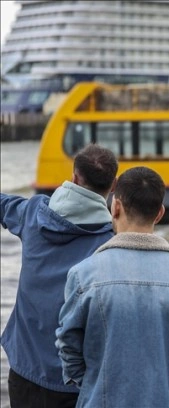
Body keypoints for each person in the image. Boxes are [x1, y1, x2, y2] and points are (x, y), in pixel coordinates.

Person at [55, 166, 169, 408]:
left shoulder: (84, 275)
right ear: (159, 213)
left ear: (115, 207)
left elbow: (69, 348)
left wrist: (95, 386)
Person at [1, 144, 117, 408]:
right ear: (114, 185)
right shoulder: (111, 241)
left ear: (74, 177)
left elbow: (3, 205)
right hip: (76, 382)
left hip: (25, 371)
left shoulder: (33, 213)